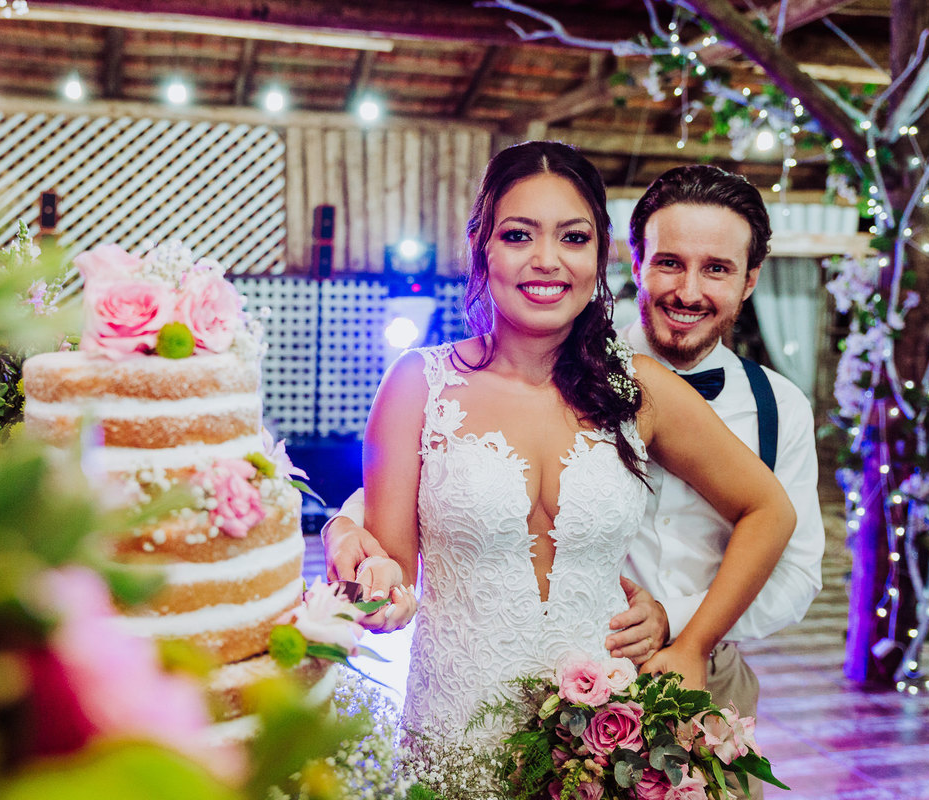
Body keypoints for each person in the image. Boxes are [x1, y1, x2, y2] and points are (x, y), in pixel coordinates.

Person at [326, 162, 824, 800]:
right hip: (455, 723)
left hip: (606, 731)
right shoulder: (419, 382)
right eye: (517, 236)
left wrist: (690, 637)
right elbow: (402, 544)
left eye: (572, 237)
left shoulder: (649, 386)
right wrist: (354, 551)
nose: (545, 260)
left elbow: (776, 521)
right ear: (480, 245)